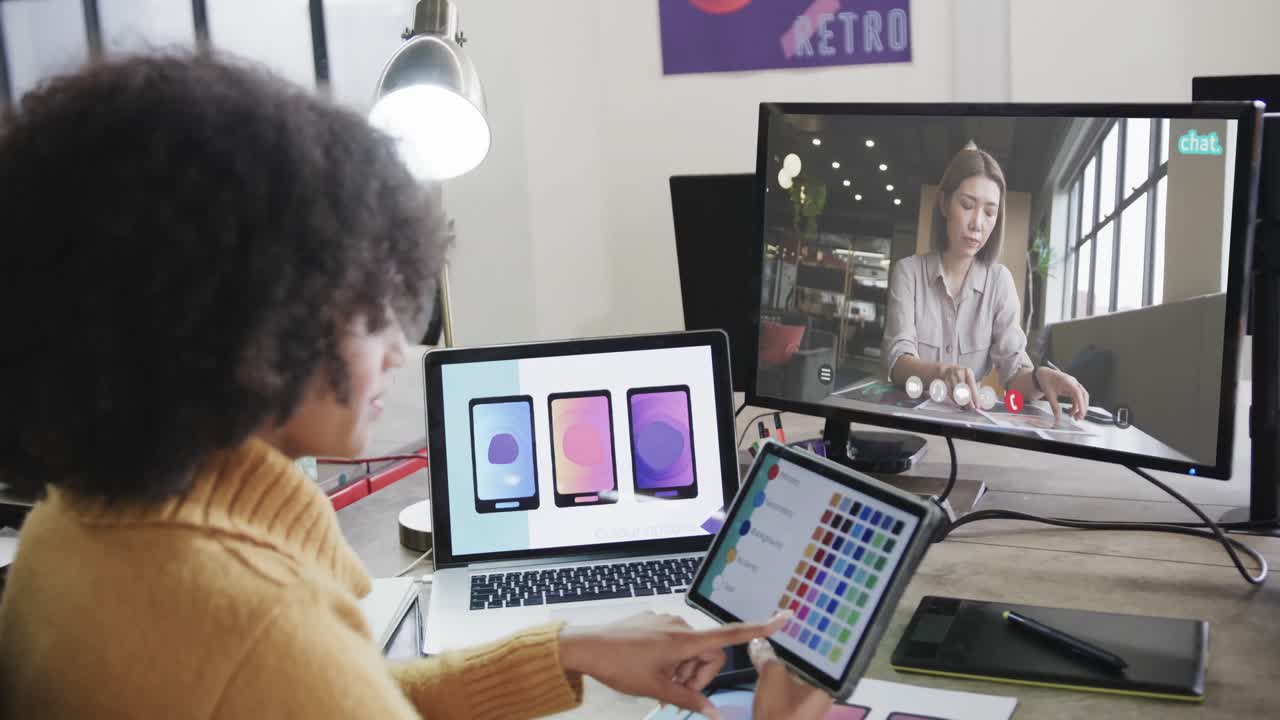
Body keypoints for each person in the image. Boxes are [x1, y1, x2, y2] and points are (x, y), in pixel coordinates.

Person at [0, 56, 833, 720]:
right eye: (370, 306)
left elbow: (346, 697)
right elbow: (299, 680)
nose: (402, 349)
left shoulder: (68, 528)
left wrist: (568, 650)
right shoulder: (253, 628)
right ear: (242, 316)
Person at [881, 142, 1089, 422]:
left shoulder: (999, 282)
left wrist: (1041, 377)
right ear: (944, 204)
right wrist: (942, 372)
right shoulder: (908, 272)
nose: (977, 223)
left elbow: (1014, 374)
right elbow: (897, 362)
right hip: (908, 418)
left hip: (966, 422)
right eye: (967, 205)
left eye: (990, 212)